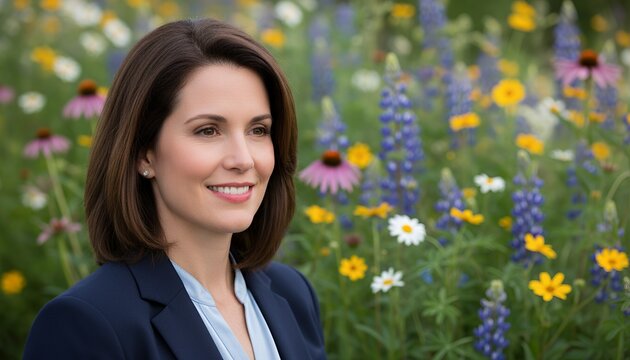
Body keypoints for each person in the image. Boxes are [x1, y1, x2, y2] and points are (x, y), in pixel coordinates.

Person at [24, 18, 326, 359]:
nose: (243, 160)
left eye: (258, 130)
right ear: (144, 153)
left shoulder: (294, 294)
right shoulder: (85, 323)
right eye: (208, 130)